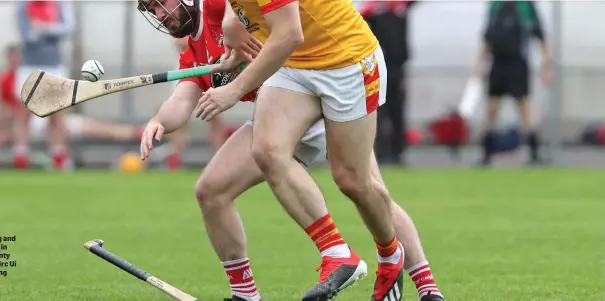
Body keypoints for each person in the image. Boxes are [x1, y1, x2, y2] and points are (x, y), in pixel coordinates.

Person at [137, 0, 444, 300]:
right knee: (217, 185)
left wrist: (232, 41)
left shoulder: (217, 9)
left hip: (335, 70)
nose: (161, 15)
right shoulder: (194, 52)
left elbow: (282, 30)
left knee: (362, 187)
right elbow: (182, 100)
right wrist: (158, 121)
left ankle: (421, 281)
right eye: (151, 10)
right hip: (290, 89)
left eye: (160, 3)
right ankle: (260, 288)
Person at [0, 45, 144, 159]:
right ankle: (136, 132)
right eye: (11, 57)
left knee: (86, 125)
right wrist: (4, 131)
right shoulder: (8, 78)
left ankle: (135, 132)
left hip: (49, 121)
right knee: (82, 127)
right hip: (35, 125)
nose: (15, 60)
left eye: (17, 56)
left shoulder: (40, 74)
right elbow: (6, 108)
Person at [476, 0, 552, 166]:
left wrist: (547, 65)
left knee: (524, 107)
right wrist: (480, 63)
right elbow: (487, 38)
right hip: (497, 64)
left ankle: (534, 153)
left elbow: (541, 36)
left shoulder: (526, 6)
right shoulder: (495, 6)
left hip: (517, 63)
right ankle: (486, 154)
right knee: (491, 108)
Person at [15, 0, 75, 170]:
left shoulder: (60, 4)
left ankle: (59, 154)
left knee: (57, 112)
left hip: (54, 65)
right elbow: (27, 35)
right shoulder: (22, 5)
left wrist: (42, 27)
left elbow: (67, 28)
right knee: (24, 111)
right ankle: (21, 153)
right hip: (29, 66)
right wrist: (51, 28)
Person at [359, 1, 417, 166]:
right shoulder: (372, 12)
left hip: (397, 69)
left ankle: (397, 152)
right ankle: (381, 152)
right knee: (378, 113)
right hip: (378, 68)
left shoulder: (400, 9)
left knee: (397, 113)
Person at [165, 37, 226, 170]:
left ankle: (221, 162)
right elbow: (181, 44)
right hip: (188, 73)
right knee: (179, 122)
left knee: (214, 117)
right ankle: (174, 162)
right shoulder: (187, 21)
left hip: (209, 71)